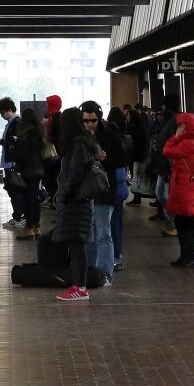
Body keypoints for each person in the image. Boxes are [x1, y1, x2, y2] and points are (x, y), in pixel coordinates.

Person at [53, 107, 98, 301]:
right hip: (77, 200)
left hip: (76, 201)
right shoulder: (81, 142)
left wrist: (63, 195)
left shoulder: (78, 144)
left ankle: (80, 287)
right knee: (76, 244)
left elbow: (74, 173)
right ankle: (78, 286)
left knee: (78, 245)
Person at [81, 101, 127, 284]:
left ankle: (105, 272)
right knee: (89, 234)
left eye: (93, 120)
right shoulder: (79, 137)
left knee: (103, 232)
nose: (89, 124)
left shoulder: (111, 135)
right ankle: (91, 270)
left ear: (99, 118)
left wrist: (106, 158)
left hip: (104, 189)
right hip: (86, 192)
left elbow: (123, 159)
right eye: (86, 120)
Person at [163, 113, 194, 268]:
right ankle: (186, 255)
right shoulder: (191, 140)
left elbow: (167, 151)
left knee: (186, 223)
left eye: (179, 125)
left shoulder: (189, 143)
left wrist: (175, 138)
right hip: (186, 188)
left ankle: (189, 256)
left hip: (186, 189)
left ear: (184, 126)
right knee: (184, 222)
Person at [149, 93, 181, 236]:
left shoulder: (174, 120)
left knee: (165, 194)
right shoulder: (168, 120)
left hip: (169, 165)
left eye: (163, 105)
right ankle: (171, 221)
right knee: (160, 193)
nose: (161, 108)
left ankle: (173, 222)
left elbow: (175, 141)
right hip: (163, 163)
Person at [13, 108, 45, 241]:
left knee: (29, 198)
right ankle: (37, 227)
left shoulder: (24, 135)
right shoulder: (40, 132)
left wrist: (14, 146)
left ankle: (30, 227)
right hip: (39, 169)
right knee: (35, 197)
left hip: (28, 171)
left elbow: (21, 155)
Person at [0, 97, 25, 229]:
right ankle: (18, 216)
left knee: (15, 191)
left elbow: (16, 144)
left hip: (12, 164)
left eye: (2, 112)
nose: (1, 115)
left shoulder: (16, 123)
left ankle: (18, 217)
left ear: (9, 109)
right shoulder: (13, 123)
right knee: (13, 190)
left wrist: (3, 142)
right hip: (10, 163)